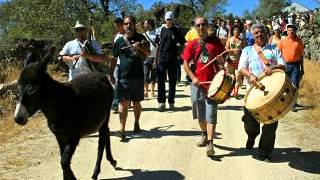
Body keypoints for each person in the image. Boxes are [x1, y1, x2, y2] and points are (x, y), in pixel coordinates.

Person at [238, 23, 286, 161]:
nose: (259, 34)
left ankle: (265, 152)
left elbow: (283, 65)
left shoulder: (274, 49)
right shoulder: (247, 50)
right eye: (256, 33)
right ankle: (252, 135)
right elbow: (241, 67)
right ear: (253, 35)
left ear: (266, 33)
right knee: (250, 122)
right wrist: (250, 75)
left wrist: (273, 67)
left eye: (261, 32)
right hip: (252, 92)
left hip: (272, 92)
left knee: (271, 123)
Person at [182, 16, 225, 157]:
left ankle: (210, 144)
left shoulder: (216, 42)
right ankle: (204, 133)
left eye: (203, 24)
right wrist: (193, 78)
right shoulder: (191, 44)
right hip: (197, 83)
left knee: (210, 113)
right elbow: (186, 64)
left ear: (207, 26)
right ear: (195, 27)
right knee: (200, 113)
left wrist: (221, 61)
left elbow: (223, 60)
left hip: (213, 84)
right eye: (198, 25)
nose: (201, 27)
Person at [112, 15, 150, 141]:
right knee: (123, 103)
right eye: (126, 24)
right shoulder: (119, 41)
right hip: (124, 77)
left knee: (136, 102)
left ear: (134, 25)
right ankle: (122, 129)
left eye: (131, 23)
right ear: (123, 25)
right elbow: (114, 57)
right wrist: (111, 73)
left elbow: (148, 54)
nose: (128, 26)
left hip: (138, 77)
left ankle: (137, 123)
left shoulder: (141, 38)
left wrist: (140, 47)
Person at [155, 11, 185, 111]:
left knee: (172, 81)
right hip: (162, 58)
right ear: (165, 19)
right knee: (161, 81)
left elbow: (183, 43)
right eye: (167, 19)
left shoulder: (177, 30)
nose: (169, 21)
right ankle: (161, 102)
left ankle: (171, 102)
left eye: (171, 19)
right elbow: (157, 46)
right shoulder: (160, 30)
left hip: (173, 59)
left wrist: (181, 55)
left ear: (173, 20)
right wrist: (156, 59)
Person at [278, 24, 304, 112]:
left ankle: (293, 104)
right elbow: (278, 54)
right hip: (285, 66)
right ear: (287, 31)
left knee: (295, 85)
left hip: (295, 66)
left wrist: (302, 68)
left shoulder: (299, 42)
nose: (291, 31)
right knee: (284, 85)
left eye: (293, 30)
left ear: (295, 31)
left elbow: (301, 56)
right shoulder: (282, 41)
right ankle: (285, 103)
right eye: (289, 30)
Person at [225, 25, 246, 98]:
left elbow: (244, 49)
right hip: (230, 61)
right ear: (233, 31)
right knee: (231, 77)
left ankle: (236, 92)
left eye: (238, 30)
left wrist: (241, 51)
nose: (237, 31)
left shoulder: (241, 40)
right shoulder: (229, 39)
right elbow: (226, 49)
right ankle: (229, 92)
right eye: (235, 30)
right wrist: (234, 50)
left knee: (238, 76)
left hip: (239, 61)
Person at [111, 17, 125, 112]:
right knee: (116, 83)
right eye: (116, 26)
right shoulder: (115, 36)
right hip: (117, 63)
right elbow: (113, 52)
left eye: (118, 25)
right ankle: (115, 104)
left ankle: (127, 101)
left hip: (126, 63)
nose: (117, 27)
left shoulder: (128, 35)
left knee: (126, 83)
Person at [143, 19, 157, 98]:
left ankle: (152, 91)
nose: (144, 25)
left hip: (154, 57)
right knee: (145, 75)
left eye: (146, 23)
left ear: (150, 24)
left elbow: (158, 46)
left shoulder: (156, 34)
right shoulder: (144, 35)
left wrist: (157, 58)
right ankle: (146, 91)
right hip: (146, 58)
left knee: (154, 75)